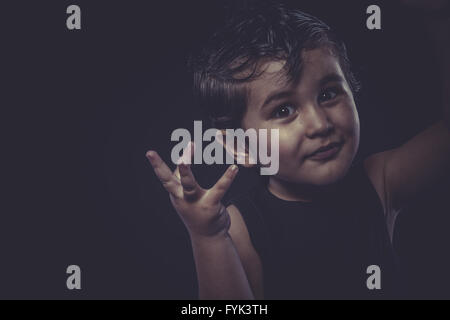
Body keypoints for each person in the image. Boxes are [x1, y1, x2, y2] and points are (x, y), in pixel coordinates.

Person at [146, 1, 450, 299]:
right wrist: (208, 238)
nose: (319, 124)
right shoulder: (240, 226)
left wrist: (439, 19)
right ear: (241, 147)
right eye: (284, 110)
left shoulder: (380, 180)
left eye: (329, 94)